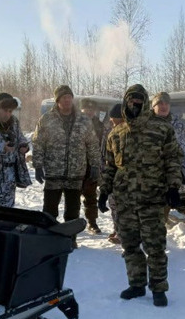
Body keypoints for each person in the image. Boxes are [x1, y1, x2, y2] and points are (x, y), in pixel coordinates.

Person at [98, 85, 181, 307]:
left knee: (154, 246)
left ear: (145, 102)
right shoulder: (116, 133)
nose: (134, 104)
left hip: (152, 199)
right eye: (130, 101)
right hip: (125, 200)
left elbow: (173, 159)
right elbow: (110, 166)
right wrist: (104, 190)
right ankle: (136, 284)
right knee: (130, 245)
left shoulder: (162, 129)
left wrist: (173, 187)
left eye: (138, 100)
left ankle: (158, 288)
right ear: (125, 103)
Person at [33, 85, 100, 229]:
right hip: (53, 172)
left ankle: (70, 238)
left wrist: (95, 164)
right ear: (57, 100)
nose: (67, 100)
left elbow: (92, 144)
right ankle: (49, 236)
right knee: (50, 210)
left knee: (72, 210)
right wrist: (38, 165)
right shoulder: (47, 119)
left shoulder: (83, 120)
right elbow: (38, 143)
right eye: (64, 97)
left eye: (69, 97)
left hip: (76, 173)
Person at [150, 91, 185, 223]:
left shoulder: (177, 124)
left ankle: (160, 225)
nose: (164, 106)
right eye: (160, 103)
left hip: (168, 171)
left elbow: (182, 149)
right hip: (147, 172)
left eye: (166, 103)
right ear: (153, 106)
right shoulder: (145, 122)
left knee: (164, 202)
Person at [80, 98, 105, 234]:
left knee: (90, 196)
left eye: (92, 109)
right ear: (81, 109)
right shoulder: (75, 123)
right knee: (72, 197)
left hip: (92, 166)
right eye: (86, 109)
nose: (89, 112)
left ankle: (92, 222)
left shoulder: (100, 125)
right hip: (76, 165)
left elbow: (103, 145)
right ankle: (71, 223)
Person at [105, 102, 124, 244]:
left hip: (123, 180)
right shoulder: (112, 132)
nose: (111, 120)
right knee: (114, 205)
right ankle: (118, 230)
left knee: (120, 207)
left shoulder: (126, 134)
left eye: (113, 117)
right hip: (113, 176)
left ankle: (122, 233)